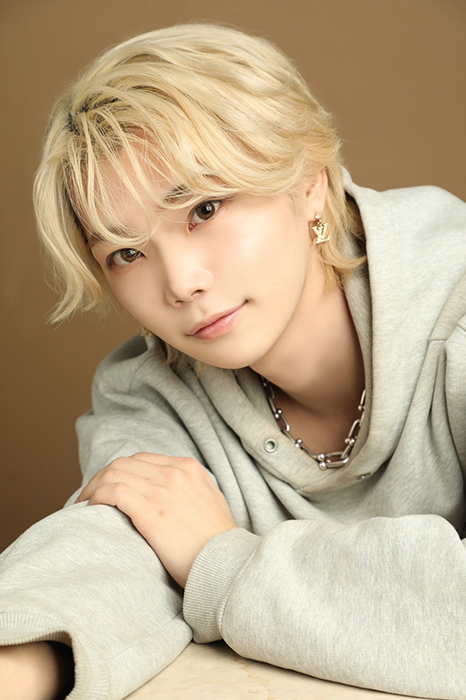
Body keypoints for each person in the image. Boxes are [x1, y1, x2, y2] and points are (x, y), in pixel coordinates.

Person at [1, 21, 466, 700]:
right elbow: (103, 557)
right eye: (126, 253)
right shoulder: (153, 392)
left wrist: (220, 562)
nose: (180, 283)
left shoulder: (457, 304)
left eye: (204, 208)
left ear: (308, 182)